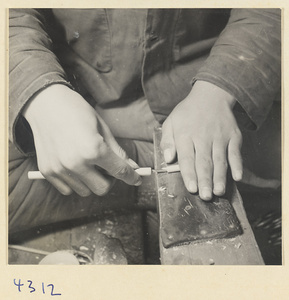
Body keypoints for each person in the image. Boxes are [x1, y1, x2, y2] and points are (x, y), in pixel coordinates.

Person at [9, 9, 281, 239]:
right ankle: (159, 172)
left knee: (269, 163)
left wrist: (217, 91)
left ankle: (151, 170)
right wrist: (40, 93)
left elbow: (269, 10)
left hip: (207, 93)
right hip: (85, 98)